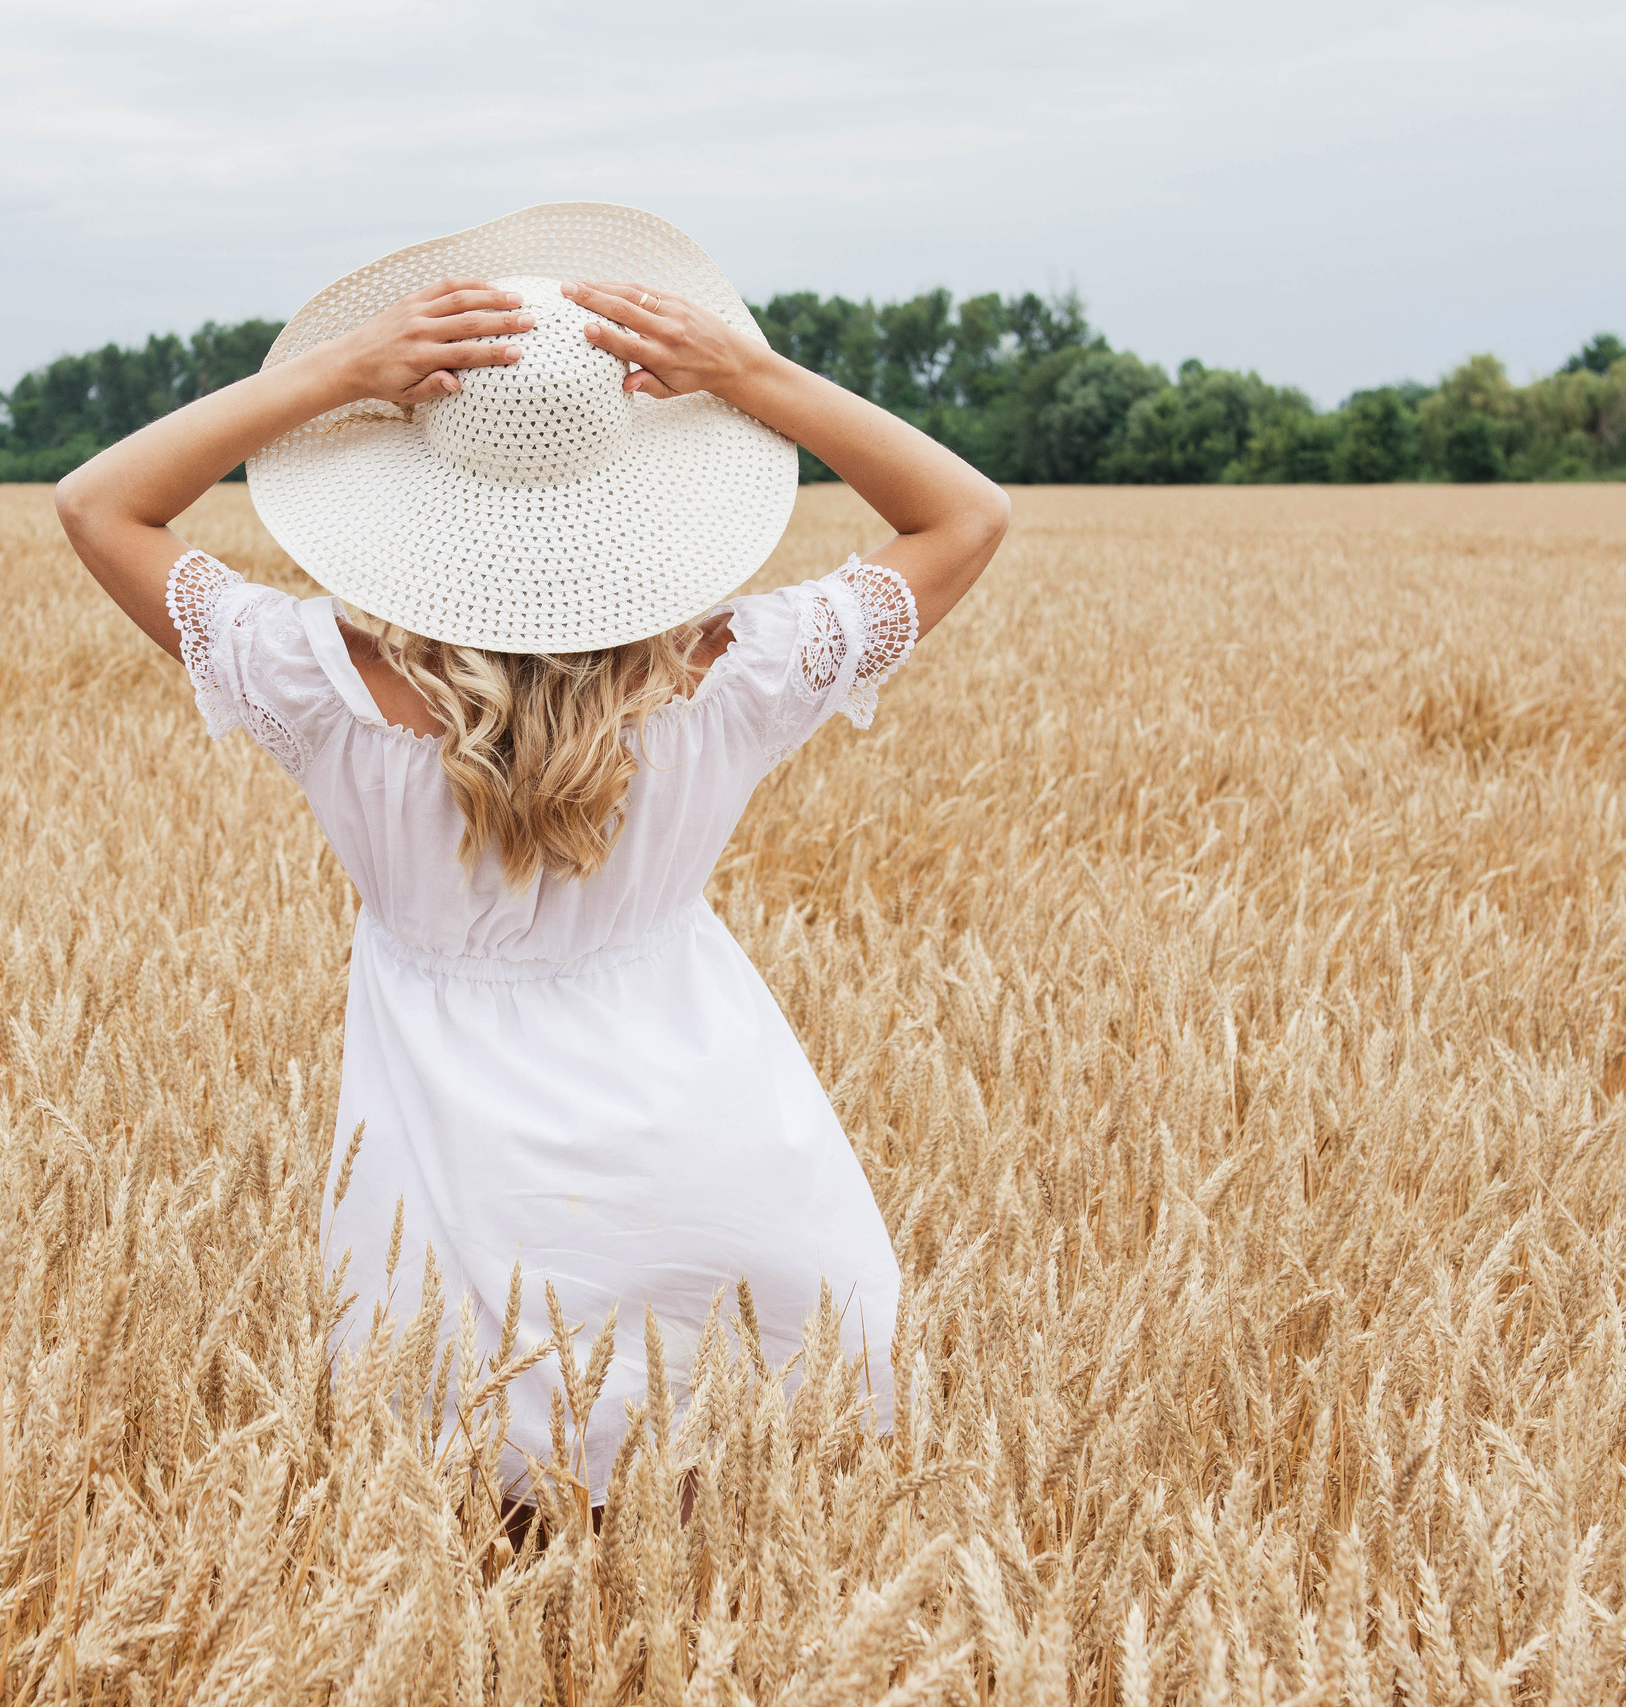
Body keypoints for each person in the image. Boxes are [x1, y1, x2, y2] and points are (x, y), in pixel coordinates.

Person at [56, 204, 1007, 1507]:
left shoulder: (325, 689)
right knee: (741, 1564)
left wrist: (330, 376)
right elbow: (964, 516)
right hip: (721, 1172)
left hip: (451, 1216)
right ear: (641, 507)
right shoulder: (739, 675)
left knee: (480, 1565)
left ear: (413, 503)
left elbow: (99, 502)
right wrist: (749, 377)